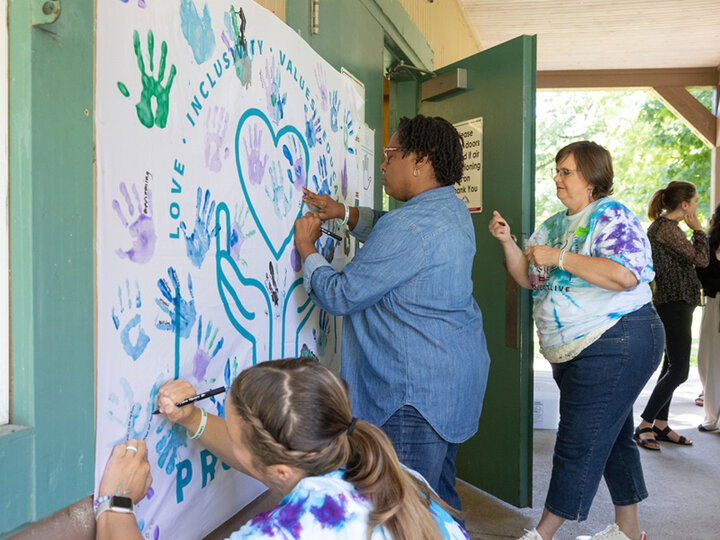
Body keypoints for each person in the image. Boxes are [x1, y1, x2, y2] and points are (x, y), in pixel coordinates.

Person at [293, 114, 490, 513]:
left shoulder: (411, 227)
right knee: (436, 503)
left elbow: (342, 294)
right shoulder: (449, 209)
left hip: (412, 397)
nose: (382, 165)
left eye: (390, 154)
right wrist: (345, 214)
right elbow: (392, 227)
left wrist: (308, 251)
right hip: (450, 384)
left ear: (420, 161)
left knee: (399, 512)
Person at [489, 141, 663, 540]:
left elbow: (624, 275)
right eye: (556, 170)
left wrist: (558, 258)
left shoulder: (611, 216)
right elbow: (529, 278)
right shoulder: (553, 225)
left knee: (578, 440)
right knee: (613, 435)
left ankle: (543, 534)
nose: (556, 178)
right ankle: (629, 531)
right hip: (577, 348)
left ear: (592, 177)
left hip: (618, 336)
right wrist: (507, 242)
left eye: (566, 171)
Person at [95, 358, 469, 540]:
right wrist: (194, 420)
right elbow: (265, 456)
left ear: (280, 471)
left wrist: (117, 504)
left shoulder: (290, 532)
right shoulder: (396, 476)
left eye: (239, 439)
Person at [635, 181, 709, 449]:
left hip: (678, 302)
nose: (697, 206)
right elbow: (701, 259)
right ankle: (645, 423)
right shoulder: (667, 228)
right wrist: (699, 231)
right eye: (696, 200)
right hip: (673, 302)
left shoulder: (669, 228)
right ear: (685, 205)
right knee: (679, 371)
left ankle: (661, 425)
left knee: (670, 366)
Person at [696, 202, 720, 432]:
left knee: (713, 359)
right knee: (708, 360)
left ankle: (714, 417)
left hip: (714, 301)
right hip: (714, 303)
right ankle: (713, 415)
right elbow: (702, 274)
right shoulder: (708, 244)